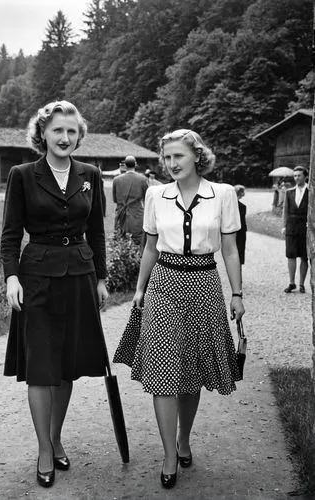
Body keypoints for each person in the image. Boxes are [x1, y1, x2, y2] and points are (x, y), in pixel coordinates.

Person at [115, 129, 244, 489]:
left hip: (204, 284)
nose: (171, 164)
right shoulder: (156, 194)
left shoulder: (223, 194)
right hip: (164, 283)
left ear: (197, 157)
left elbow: (230, 250)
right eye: (167, 157)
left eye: (179, 157)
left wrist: (237, 294)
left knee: (192, 370)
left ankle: (184, 438)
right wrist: (140, 289)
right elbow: (150, 248)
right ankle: (169, 454)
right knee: (162, 370)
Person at [0, 100, 109, 488]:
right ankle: (44, 448)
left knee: (66, 365)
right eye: (57, 130)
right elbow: (11, 234)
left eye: (71, 131)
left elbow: (96, 231)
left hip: (80, 275)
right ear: (42, 133)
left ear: (79, 135)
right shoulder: (23, 174)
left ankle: (57, 436)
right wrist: (12, 278)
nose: (65, 138)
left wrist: (101, 278)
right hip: (37, 280)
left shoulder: (90, 175)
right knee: (41, 366)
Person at [282, 165, 309, 293]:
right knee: (291, 255)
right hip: (291, 227)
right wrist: (284, 226)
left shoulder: (311, 191)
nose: (296, 178)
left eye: (299, 175)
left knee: (304, 256)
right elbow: (285, 211)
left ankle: (302, 284)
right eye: (295, 176)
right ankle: (291, 282)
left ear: (305, 176)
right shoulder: (289, 192)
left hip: (305, 227)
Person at [112, 155, 148, 244]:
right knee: (137, 240)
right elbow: (147, 197)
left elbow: (115, 199)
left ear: (125, 165)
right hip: (137, 213)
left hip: (121, 213)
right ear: (135, 164)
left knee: (121, 239)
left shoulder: (116, 179)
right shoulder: (142, 179)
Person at [234, 184, 247, 283]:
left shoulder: (232, 205)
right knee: (239, 254)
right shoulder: (241, 207)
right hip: (239, 233)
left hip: (237, 232)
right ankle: (238, 277)